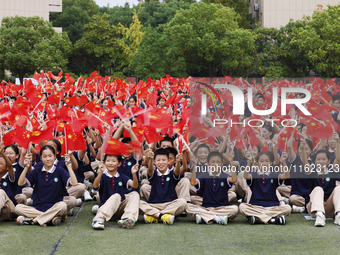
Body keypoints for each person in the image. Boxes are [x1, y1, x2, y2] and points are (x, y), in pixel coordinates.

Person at [15, 145, 78, 226]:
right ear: (41, 158)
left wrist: (69, 166)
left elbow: (74, 183)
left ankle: (35, 220)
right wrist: (26, 167)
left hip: (55, 206)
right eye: (44, 156)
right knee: (18, 208)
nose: (48, 159)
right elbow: (20, 183)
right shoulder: (37, 171)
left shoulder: (60, 171)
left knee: (62, 206)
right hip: (37, 207)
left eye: (50, 156)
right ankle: (51, 218)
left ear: (55, 157)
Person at [239, 151, 291, 225]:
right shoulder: (254, 175)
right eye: (261, 161)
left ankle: (258, 218)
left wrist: (283, 162)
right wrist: (249, 162)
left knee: (287, 208)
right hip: (256, 207)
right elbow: (245, 176)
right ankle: (272, 219)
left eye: (267, 161)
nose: (264, 163)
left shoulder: (274, 174)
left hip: (272, 207)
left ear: (271, 163)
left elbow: (286, 176)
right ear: (257, 163)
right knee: (242, 207)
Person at [187, 151, 238, 225]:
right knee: (188, 207)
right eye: (213, 162)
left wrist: (231, 161)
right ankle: (218, 218)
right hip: (206, 207)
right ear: (208, 163)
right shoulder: (204, 175)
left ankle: (205, 217)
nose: (216, 164)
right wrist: (195, 165)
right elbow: (193, 182)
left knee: (235, 209)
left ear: (222, 164)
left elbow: (234, 179)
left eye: (218, 162)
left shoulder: (225, 176)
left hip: (222, 208)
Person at [139, 148, 187, 225]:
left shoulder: (172, 173)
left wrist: (178, 161)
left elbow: (177, 171)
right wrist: (150, 159)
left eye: (164, 160)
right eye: (158, 160)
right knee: (138, 203)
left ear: (168, 161)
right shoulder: (153, 173)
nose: (161, 162)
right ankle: (163, 216)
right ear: (154, 162)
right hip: (154, 205)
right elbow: (150, 170)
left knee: (183, 202)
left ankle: (154, 215)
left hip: (169, 204)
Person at [92, 154, 139, 230]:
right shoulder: (103, 176)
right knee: (116, 195)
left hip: (120, 210)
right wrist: (100, 172)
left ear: (119, 163)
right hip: (108, 209)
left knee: (134, 194)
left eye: (113, 161)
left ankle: (128, 218)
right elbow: (95, 186)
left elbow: (135, 185)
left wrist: (134, 174)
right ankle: (98, 220)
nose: (110, 163)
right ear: (104, 163)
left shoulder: (122, 176)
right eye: (108, 161)